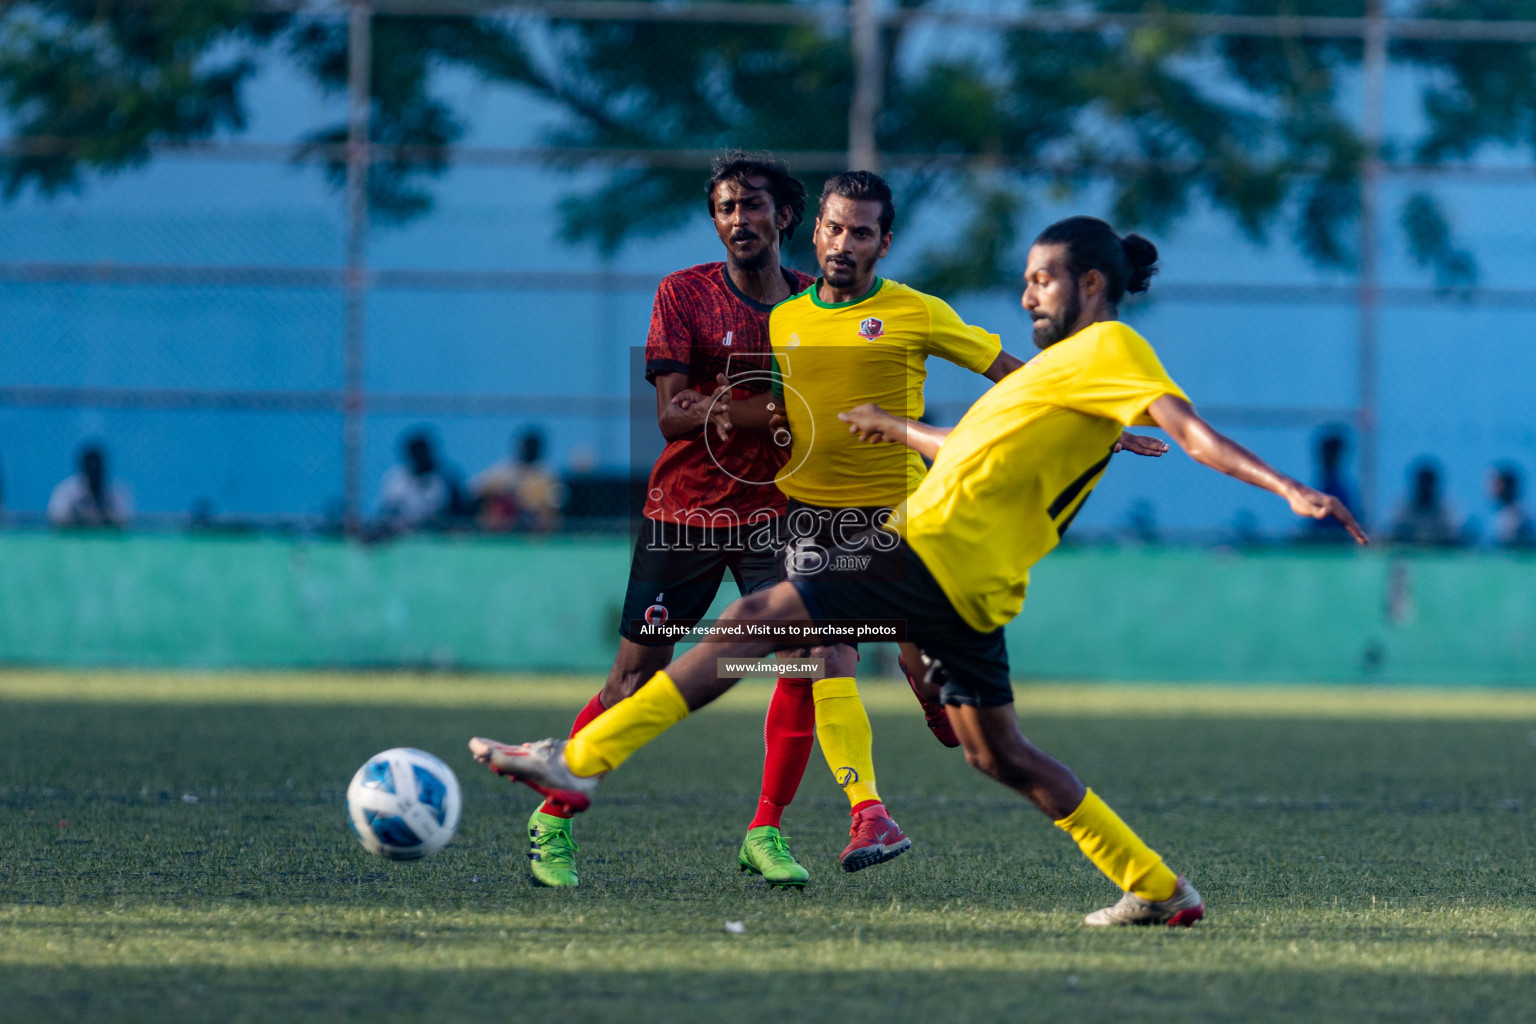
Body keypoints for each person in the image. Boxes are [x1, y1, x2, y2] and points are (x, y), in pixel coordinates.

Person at [468, 215, 1366, 926]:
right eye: (1024, 280)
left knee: (759, 625)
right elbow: (969, 444)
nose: (1027, 295)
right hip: (971, 584)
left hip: (927, 551)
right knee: (998, 753)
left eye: (1041, 279)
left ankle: (581, 761)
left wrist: (1288, 486)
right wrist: (899, 430)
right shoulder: (1049, 373)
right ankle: (1158, 886)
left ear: (1092, 284)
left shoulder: (1113, 350)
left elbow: (1188, 428)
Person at [681, 170, 1168, 877]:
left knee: (939, 697)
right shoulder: (784, 318)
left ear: (885, 243)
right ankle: (867, 814)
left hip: (904, 519)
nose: (844, 243)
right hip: (811, 518)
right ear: (814, 230)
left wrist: (1087, 413)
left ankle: (933, 698)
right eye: (834, 227)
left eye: (862, 232)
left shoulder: (915, 311)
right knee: (826, 656)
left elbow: (1006, 365)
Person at [513, 152, 817, 888]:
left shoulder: (815, 304)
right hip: (683, 514)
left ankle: (765, 831)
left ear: (785, 216)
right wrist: (770, 411)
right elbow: (672, 416)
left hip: (774, 515)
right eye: (724, 208)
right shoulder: (683, 293)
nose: (738, 220)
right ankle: (552, 819)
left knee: (806, 663)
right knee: (633, 682)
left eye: (751, 206)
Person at [472, 428, 566, 532]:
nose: (530, 450)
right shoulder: (504, 470)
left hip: (533, 520)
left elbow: (555, 502)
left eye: (533, 447)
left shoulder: (547, 474)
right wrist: (506, 490)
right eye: (527, 447)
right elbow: (475, 489)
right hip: (506, 519)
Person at [377, 429, 455, 533]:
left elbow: (443, 512)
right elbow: (389, 508)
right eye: (417, 454)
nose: (421, 458)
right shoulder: (397, 478)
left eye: (424, 453)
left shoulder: (441, 479)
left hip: (431, 530)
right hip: (400, 529)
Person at [48, 443, 132, 527]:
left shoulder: (116, 492)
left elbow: (125, 521)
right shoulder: (66, 491)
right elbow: (57, 519)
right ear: (83, 469)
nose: (93, 475)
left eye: (96, 471)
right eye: (90, 470)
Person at [1304, 428, 1362, 543]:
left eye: (1330, 453)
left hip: (1333, 546)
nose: (1324, 457)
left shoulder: (1336, 489)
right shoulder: (1327, 484)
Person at [1389, 459, 1458, 546]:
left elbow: (1453, 535)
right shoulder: (1403, 508)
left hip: (1437, 555)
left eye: (1428, 484)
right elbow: (1395, 533)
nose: (1425, 488)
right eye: (1423, 484)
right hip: (1410, 553)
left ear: (1434, 486)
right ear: (1417, 485)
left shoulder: (1446, 509)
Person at [1488, 463, 1534, 548]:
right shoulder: (1505, 512)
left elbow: (1510, 546)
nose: (1491, 489)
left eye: (1497, 484)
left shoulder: (1516, 515)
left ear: (1508, 486)